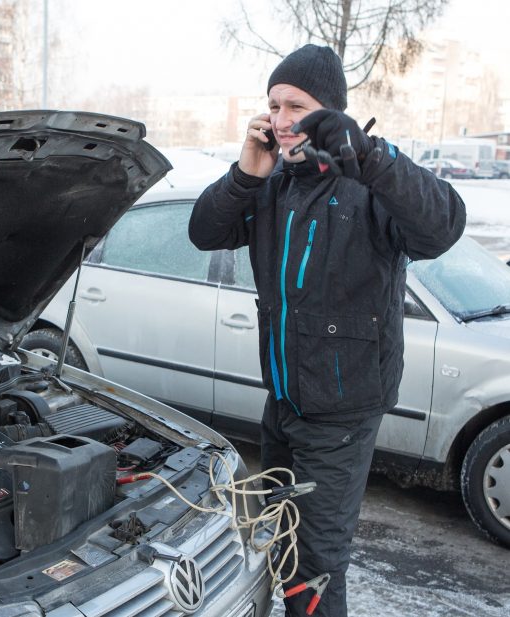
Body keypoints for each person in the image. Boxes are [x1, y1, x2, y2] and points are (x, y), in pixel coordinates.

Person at [189, 44, 465, 617]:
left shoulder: (369, 185)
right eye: (273, 105)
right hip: (284, 403)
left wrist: (369, 156)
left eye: (297, 105)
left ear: (330, 112)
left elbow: (442, 227)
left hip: (341, 413)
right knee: (279, 544)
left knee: (314, 567)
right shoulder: (273, 185)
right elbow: (203, 232)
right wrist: (245, 171)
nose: (282, 119)